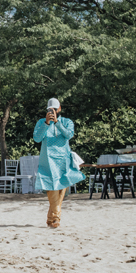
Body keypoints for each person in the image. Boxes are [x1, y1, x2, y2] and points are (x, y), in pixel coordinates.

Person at [33, 98, 82, 229]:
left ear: (59, 108)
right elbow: (37, 138)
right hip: (47, 161)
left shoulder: (67, 122)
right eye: (50, 109)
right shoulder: (41, 122)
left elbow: (69, 135)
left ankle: (51, 219)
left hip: (63, 160)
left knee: (61, 190)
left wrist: (57, 123)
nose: (52, 111)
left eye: (55, 109)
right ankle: (55, 219)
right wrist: (46, 123)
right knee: (51, 189)